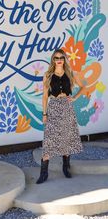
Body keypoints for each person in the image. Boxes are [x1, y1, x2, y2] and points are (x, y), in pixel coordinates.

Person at [36, 48, 83, 184]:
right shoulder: (48, 75)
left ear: (64, 59)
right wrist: (44, 114)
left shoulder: (70, 74)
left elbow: (84, 87)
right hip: (54, 107)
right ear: (53, 60)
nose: (59, 60)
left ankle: (66, 167)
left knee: (66, 137)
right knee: (49, 139)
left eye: (61, 58)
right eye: (56, 58)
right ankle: (44, 173)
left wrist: (74, 98)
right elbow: (45, 97)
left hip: (67, 108)